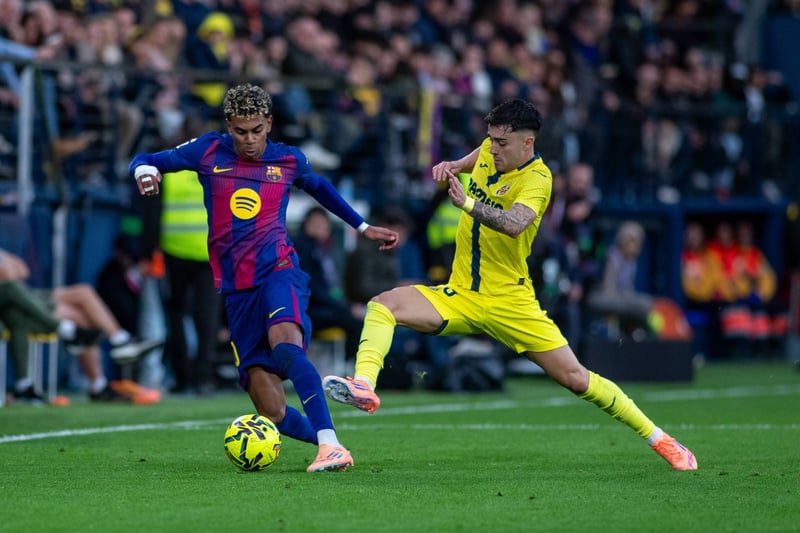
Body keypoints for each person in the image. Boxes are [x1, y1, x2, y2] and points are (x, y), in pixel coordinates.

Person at [323, 98, 697, 470]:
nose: (493, 149)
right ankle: (364, 386)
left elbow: (515, 224)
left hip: (510, 302)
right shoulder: (490, 149)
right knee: (383, 304)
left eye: (501, 143)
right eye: (490, 139)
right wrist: (455, 164)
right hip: (462, 295)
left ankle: (661, 439)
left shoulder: (538, 179)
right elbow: (478, 154)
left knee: (576, 378)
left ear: (527, 143)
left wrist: (468, 204)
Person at [129, 83, 399, 472]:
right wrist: (144, 172)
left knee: (286, 347)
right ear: (229, 126)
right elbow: (145, 158)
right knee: (271, 409)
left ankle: (328, 445)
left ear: (269, 123)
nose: (250, 140)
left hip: (279, 272)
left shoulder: (288, 159)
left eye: (257, 130)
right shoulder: (207, 150)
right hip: (236, 289)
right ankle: (333, 444)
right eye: (241, 132)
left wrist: (363, 227)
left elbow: (320, 187)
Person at [0, 247, 163, 403]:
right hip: (16, 304)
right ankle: (114, 346)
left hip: (26, 301)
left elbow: (22, 270)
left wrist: (8, 271)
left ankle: (102, 361)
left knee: (84, 302)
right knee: (80, 305)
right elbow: (8, 276)